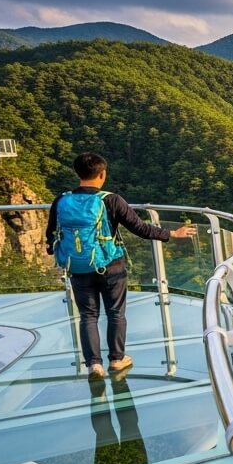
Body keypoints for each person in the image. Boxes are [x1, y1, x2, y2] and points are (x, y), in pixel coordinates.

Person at [46, 152, 196, 379]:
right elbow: (140, 228)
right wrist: (173, 233)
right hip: (111, 266)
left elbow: (52, 233)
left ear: (77, 173)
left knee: (88, 316)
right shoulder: (111, 200)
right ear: (102, 174)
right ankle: (117, 359)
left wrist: (55, 251)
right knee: (116, 313)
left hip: (77, 266)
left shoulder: (61, 200)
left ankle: (94, 365)